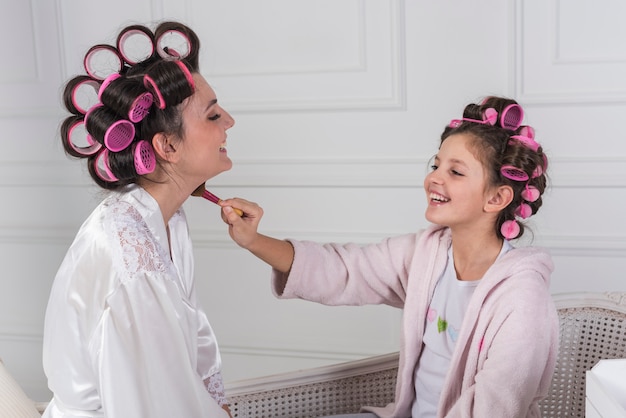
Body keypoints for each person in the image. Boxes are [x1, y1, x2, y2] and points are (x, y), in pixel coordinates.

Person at [219, 96, 559, 417]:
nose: (434, 178)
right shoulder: (427, 255)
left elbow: (494, 406)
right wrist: (254, 240)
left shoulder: (522, 297)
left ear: (497, 198)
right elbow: (344, 270)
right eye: (436, 164)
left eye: (455, 172)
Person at [42, 21, 234, 418]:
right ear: (166, 146)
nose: (229, 122)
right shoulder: (134, 266)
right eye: (213, 116)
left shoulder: (163, 219)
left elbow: (194, 344)